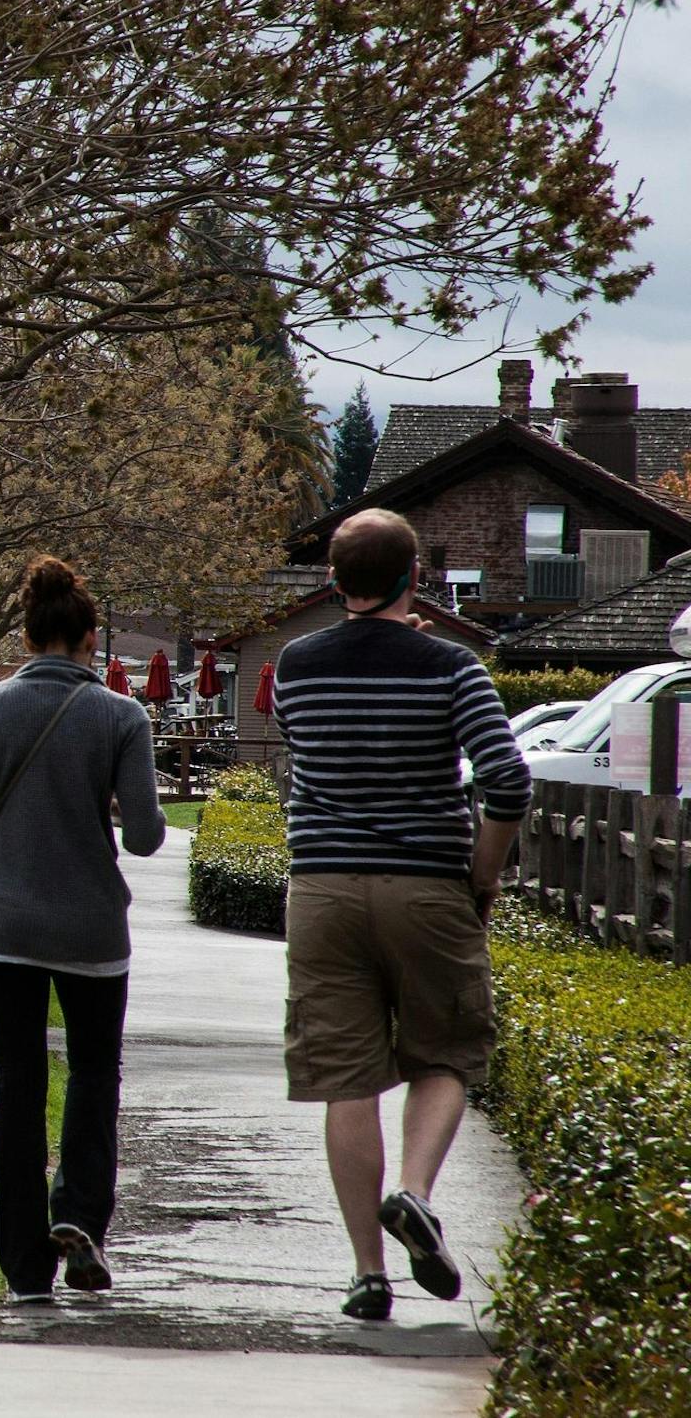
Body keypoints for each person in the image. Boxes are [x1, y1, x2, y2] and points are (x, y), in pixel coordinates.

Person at [273, 508, 530, 1321]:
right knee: (445, 1052)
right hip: (424, 885)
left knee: (345, 1078)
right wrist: (480, 881)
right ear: (413, 576)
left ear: (333, 581)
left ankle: (366, 1273)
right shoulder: (451, 668)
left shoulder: (295, 666)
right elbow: (508, 782)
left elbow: (311, 741)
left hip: (321, 888)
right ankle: (414, 1190)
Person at [0, 557, 166, 1304]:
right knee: (93, 1073)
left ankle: (25, 1269)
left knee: (17, 1087)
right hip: (91, 931)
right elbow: (148, 838)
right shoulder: (123, 717)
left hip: (0, 928)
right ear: (91, 638)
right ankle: (80, 1213)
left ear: (27, 633)